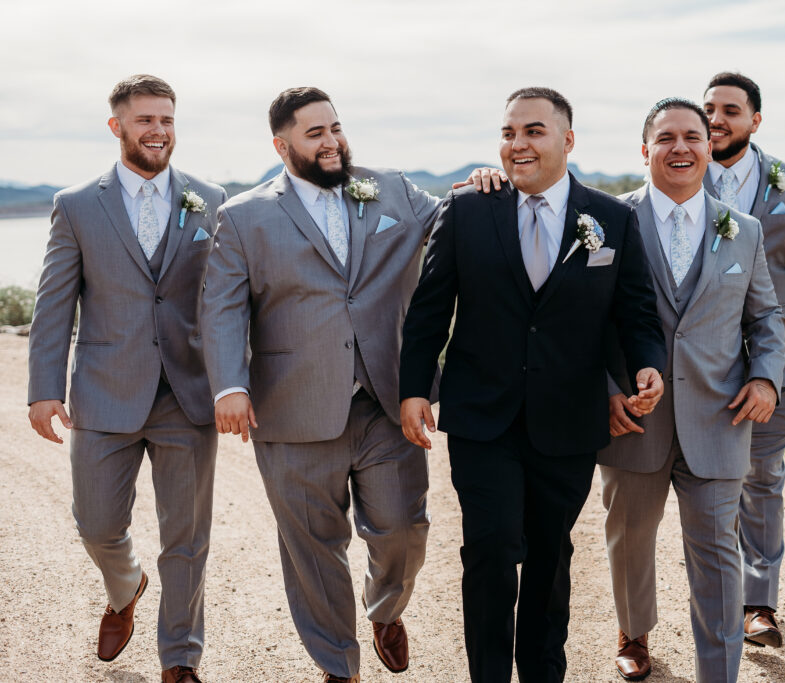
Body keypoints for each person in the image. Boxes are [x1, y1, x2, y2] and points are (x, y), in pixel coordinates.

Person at [200, 87, 501, 683]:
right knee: (313, 549)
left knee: (404, 531)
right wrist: (228, 385)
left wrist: (480, 184)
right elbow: (222, 308)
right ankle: (339, 665)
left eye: (335, 127)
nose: (332, 141)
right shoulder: (243, 216)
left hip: (389, 400)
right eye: (314, 134)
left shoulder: (389, 187)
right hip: (291, 408)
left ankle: (386, 609)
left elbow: (450, 222)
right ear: (282, 145)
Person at [398, 86, 666, 682]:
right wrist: (415, 387)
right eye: (508, 133)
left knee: (550, 550)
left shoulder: (612, 218)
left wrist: (648, 366)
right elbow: (429, 309)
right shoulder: (465, 210)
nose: (517, 145)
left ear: (567, 140)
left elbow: (637, 313)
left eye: (534, 132)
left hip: (568, 418)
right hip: (481, 415)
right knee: (491, 547)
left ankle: (544, 673)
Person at [27, 74, 225, 683]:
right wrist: (43, 387)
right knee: (96, 524)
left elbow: (233, 298)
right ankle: (125, 586)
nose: (158, 131)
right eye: (145, 120)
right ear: (117, 126)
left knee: (185, 538)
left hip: (188, 395)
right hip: (105, 390)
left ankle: (180, 658)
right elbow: (54, 302)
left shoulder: (212, 200)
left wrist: (238, 381)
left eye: (166, 119)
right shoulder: (77, 204)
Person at [597, 97, 785, 682]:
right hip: (634, 418)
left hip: (720, 419)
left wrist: (765, 377)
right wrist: (607, 389)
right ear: (645, 149)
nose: (680, 147)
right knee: (630, 539)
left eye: (693, 137)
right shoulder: (609, 222)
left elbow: (766, 320)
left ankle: (719, 671)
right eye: (666, 138)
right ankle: (634, 633)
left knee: (718, 559)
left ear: (709, 146)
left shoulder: (745, 230)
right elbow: (587, 321)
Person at [702, 71, 785, 648]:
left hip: (779, 356)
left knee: (765, 477)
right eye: (710, 109)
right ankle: (721, 588)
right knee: (711, 478)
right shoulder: (681, 170)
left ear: (755, 120)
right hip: (703, 359)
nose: (716, 120)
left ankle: (759, 602)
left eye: (730, 110)